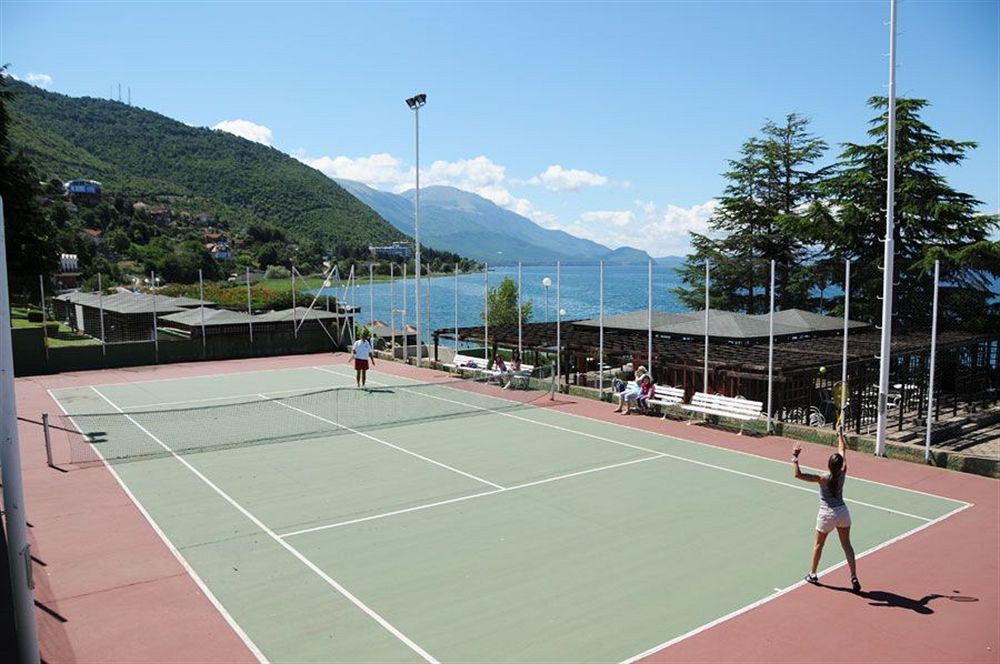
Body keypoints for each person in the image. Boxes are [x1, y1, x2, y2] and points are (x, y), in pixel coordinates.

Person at [792, 426, 861, 593]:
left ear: (829, 465)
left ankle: (813, 574)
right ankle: (853, 576)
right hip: (843, 513)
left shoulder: (822, 478)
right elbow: (842, 450)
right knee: (847, 545)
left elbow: (798, 475)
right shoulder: (843, 472)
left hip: (827, 514)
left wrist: (795, 456)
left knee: (818, 545)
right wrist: (840, 434)